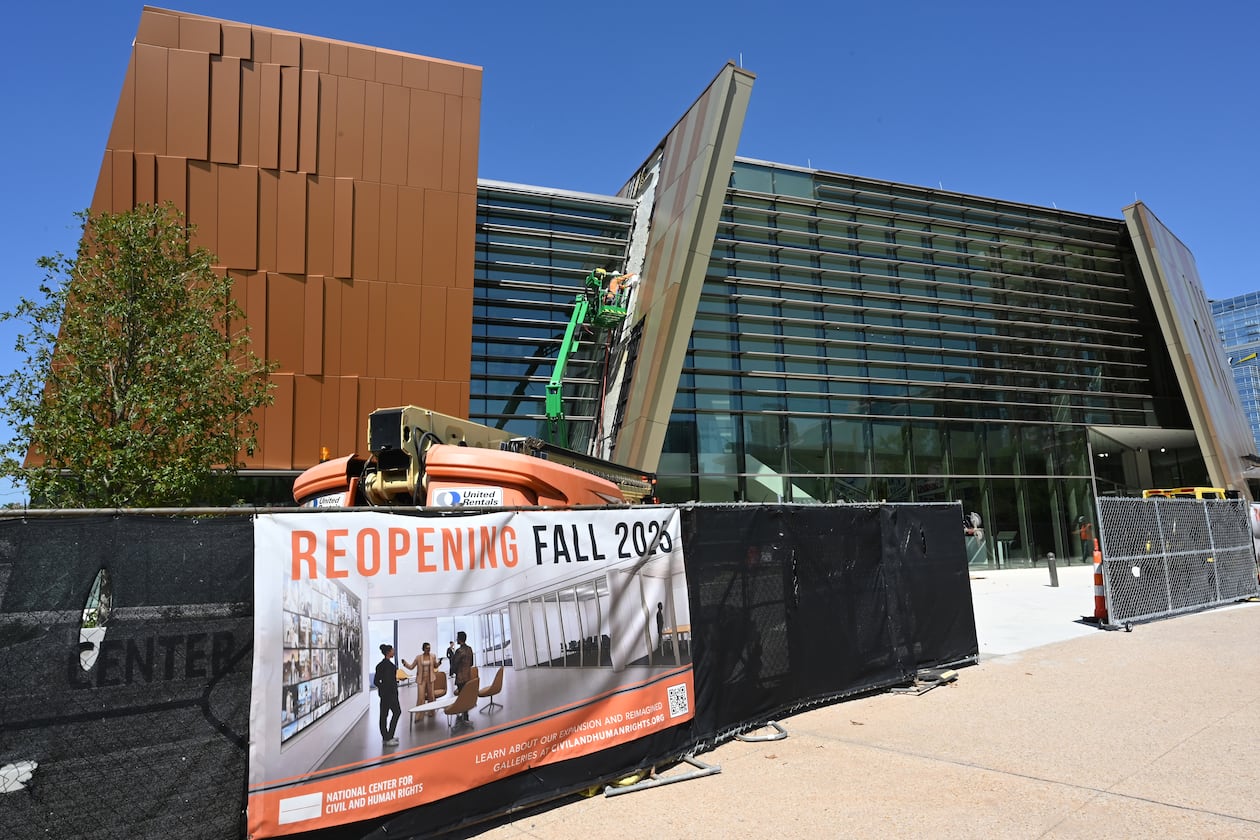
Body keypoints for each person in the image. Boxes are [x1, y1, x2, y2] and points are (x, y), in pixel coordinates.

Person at [402, 642, 443, 717]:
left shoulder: (433, 656)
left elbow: (435, 665)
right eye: (427, 648)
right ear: (423, 649)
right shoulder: (418, 657)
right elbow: (411, 667)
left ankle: (431, 712)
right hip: (421, 679)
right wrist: (405, 663)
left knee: (431, 696)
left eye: (429, 648)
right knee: (421, 697)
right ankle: (419, 715)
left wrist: (439, 662)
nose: (429, 649)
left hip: (430, 679)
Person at [374, 643, 401, 746]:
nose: (394, 652)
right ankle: (389, 737)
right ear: (388, 652)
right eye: (392, 650)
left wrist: (382, 689)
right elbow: (389, 681)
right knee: (397, 712)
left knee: (384, 715)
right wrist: (388, 689)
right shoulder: (389, 666)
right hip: (391, 695)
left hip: (384, 695)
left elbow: (377, 681)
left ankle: (386, 736)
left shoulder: (380, 665)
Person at [451, 631, 474, 722]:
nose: (456, 639)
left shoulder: (459, 651)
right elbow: (471, 663)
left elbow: (454, 664)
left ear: (459, 639)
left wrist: (453, 671)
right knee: (466, 695)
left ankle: (463, 714)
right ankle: (466, 714)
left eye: (457, 638)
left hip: (461, 677)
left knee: (461, 696)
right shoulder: (470, 649)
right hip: (468, 676)